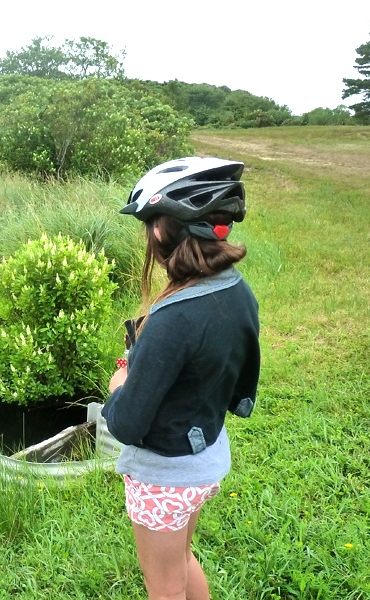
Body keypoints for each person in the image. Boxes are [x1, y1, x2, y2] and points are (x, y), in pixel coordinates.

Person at [102, 156, 260, 600]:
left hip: (164, 477)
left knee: (164, 585)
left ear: (159, 229)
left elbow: (127, 423)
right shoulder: (235, 287)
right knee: (183, 559)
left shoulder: (174, 317)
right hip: (205, 458)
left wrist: (119, 385)